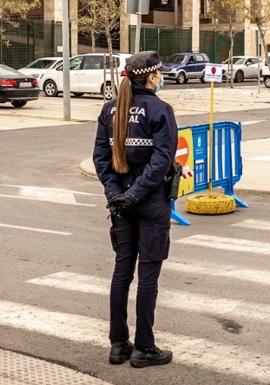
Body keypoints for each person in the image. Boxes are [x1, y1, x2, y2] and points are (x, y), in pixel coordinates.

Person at [92, 51, 178, 369]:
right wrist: (137, 193)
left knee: (121, 272)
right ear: (153, 77)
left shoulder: (110, 109)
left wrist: (117, 194)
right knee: (148, 277)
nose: (162, 78)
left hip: (120, 204)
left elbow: (101, 157)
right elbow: (162, 159)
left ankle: (118, 345)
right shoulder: (160, 109)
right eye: (161, 74)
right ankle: (144, 347)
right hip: (151, 203)